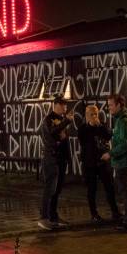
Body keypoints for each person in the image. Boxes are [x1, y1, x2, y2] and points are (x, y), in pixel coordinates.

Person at [78, 105, 121, 224]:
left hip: (103, 162)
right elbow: (82, 140)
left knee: (109, 187)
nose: (94, 116)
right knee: (92, 189)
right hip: (89, 163)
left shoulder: (102, 126)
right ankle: (94, 214)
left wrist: (99, 126)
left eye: (95, 114)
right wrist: (91, 126)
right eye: (91, 114)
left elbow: (108, 136)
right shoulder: (82, 129)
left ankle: (115, 212)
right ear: (86, 116)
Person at [39, 94, 74, 230]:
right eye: (64, 105)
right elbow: (53, 133)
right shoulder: (49, 120)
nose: (65, 108)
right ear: (57, 105)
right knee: (50, 188)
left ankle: (53, 216)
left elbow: (64, 139)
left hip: (61, 158)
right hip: (51, 158)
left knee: (57, 189)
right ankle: (44, 217)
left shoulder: (61, 119)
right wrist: (66, 122)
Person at [102, 94, 127, 232]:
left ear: (119, 105)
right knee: (125, 191)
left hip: (124, 163)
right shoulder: (119, 120)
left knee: (126, 192)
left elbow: (125, 144)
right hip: (122, 162)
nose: (108, 107)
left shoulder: (123, 121)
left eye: (111, 105)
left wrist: (110, 154)